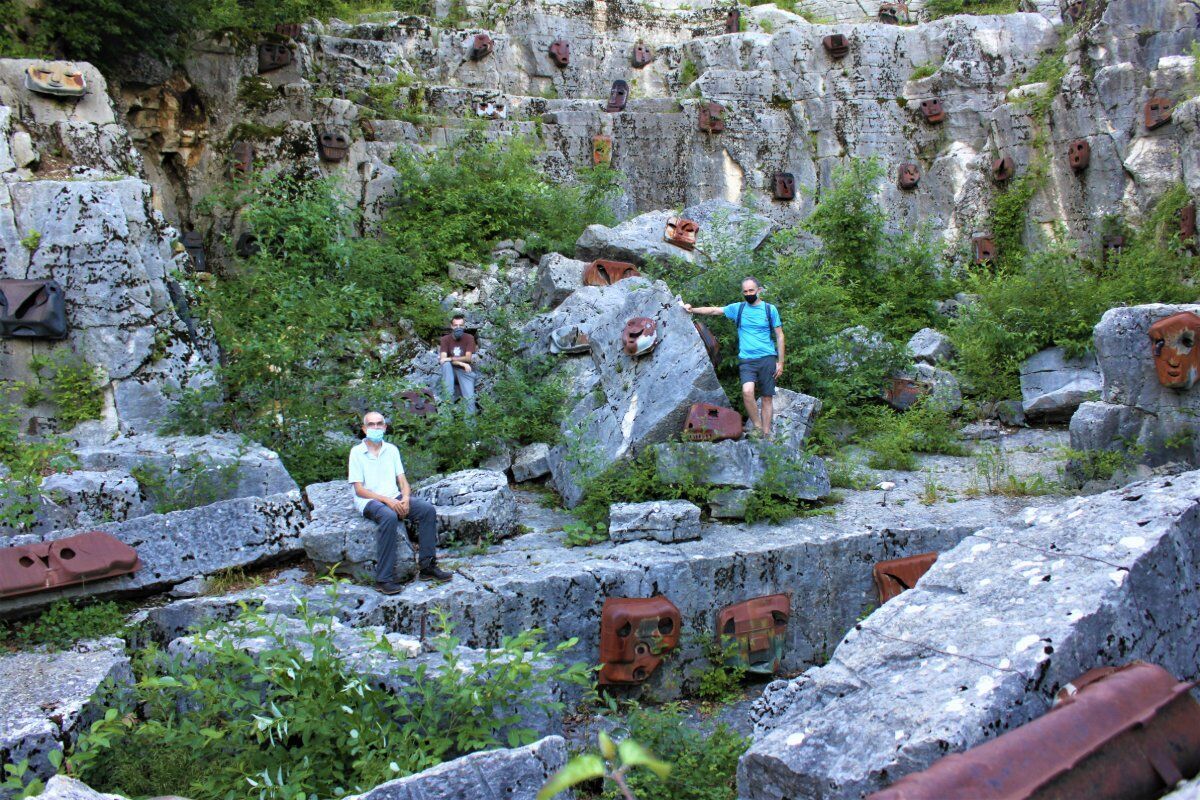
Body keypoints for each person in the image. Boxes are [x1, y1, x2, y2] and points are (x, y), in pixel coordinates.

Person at [349, 411, 451, 592]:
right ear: (364, 429)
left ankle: (427, 566)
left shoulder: (391, 450)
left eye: (379, 424)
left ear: (385, 427)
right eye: (371, 424)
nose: (375, 427)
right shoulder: (357, 452)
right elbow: (359, 489)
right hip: (368, 500)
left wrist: (405, 498)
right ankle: (383, 579)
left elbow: (402, 481)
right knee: (389, 517)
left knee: (427, 510)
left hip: (393, 495)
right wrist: (387, 501)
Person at [683, 277, 785, 438]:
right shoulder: (738, 309)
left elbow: (780, 336)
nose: (748, 294)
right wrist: (692, 309)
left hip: (767, 358)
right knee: (747, 392)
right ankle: (758, 427)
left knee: (767, 397)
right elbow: (714, 310)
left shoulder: (769, 309)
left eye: (751, 290)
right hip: (747, 360)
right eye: (745, 291)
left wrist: (781, 362)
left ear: (759, 290)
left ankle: (766, 434)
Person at [439, 314, 477, 414]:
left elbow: (468, 358)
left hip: (465, 371)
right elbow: (443, 360)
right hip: (450, 371)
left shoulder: (469, 338)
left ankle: (470, 423)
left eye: (461, 325)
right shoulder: (445, 339)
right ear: (452, 326)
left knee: (470, 400)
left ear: (464, 326)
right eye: (456, 325)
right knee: (446, 365)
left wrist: (451, 359)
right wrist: (461, 363)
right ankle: (447, 415)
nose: (458, 328)